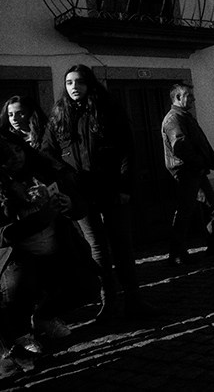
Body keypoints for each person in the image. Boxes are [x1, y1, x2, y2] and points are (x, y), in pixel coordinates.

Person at [41, 65, 156, 321]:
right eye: (69, 82)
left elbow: (127, 151)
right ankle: (109, 301)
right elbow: (46, 152)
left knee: (122, 244)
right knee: (97, 248)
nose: (74, 87)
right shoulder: (59, 116)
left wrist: (125, 187)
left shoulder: (108, 111)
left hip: (111, 190)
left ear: (89, 84)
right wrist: (66, 173)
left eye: (79, 82)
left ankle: (134, 299)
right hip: (80, 194)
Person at [0, 133, 97, 377]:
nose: (15, 158)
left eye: (18, 150)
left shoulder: (43, 171)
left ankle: (44, 316)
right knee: (18, 287)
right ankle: (19, 336)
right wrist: (40, 218)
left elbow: (80, 205)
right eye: (7, 154)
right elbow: (3, 234)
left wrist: (69, 205)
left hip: (57, 249)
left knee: (87, 284)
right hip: (18, 258)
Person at [161, 83, 214, 266]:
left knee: (210, 203)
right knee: (185, 210)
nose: (193, 99)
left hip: (194, 169)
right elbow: (181, 146)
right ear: (177, 98)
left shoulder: (184, 116)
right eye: (189, 96)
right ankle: (177, 253)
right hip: (186, 171)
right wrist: (198, 162)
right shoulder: (174, 119)